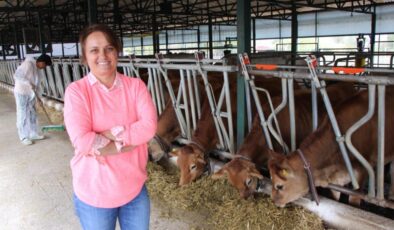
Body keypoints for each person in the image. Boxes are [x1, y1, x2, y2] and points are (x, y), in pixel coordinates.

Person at [63, 24, 157, 230]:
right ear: (85, 56)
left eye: (109, 48)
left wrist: (107, 135)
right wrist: (127, 142)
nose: (103, 55)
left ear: (117, 52)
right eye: (94, 50)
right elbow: (83, 141)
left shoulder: (135, 86)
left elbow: (149, 128)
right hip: (94, 194)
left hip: (134, 189)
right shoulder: (77, 92)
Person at [13, 54, 51, 145]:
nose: (44, 67)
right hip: (22, 92)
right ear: (41, 62)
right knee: (23, 113)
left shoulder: (37, 69)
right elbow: (17, 76)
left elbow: (37, 85)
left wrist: (39, 97)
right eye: (45, 65)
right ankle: (23, 136)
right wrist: (29, 83)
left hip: (31, 94)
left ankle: (33, 133)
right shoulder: (28, 64)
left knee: (32, 113)